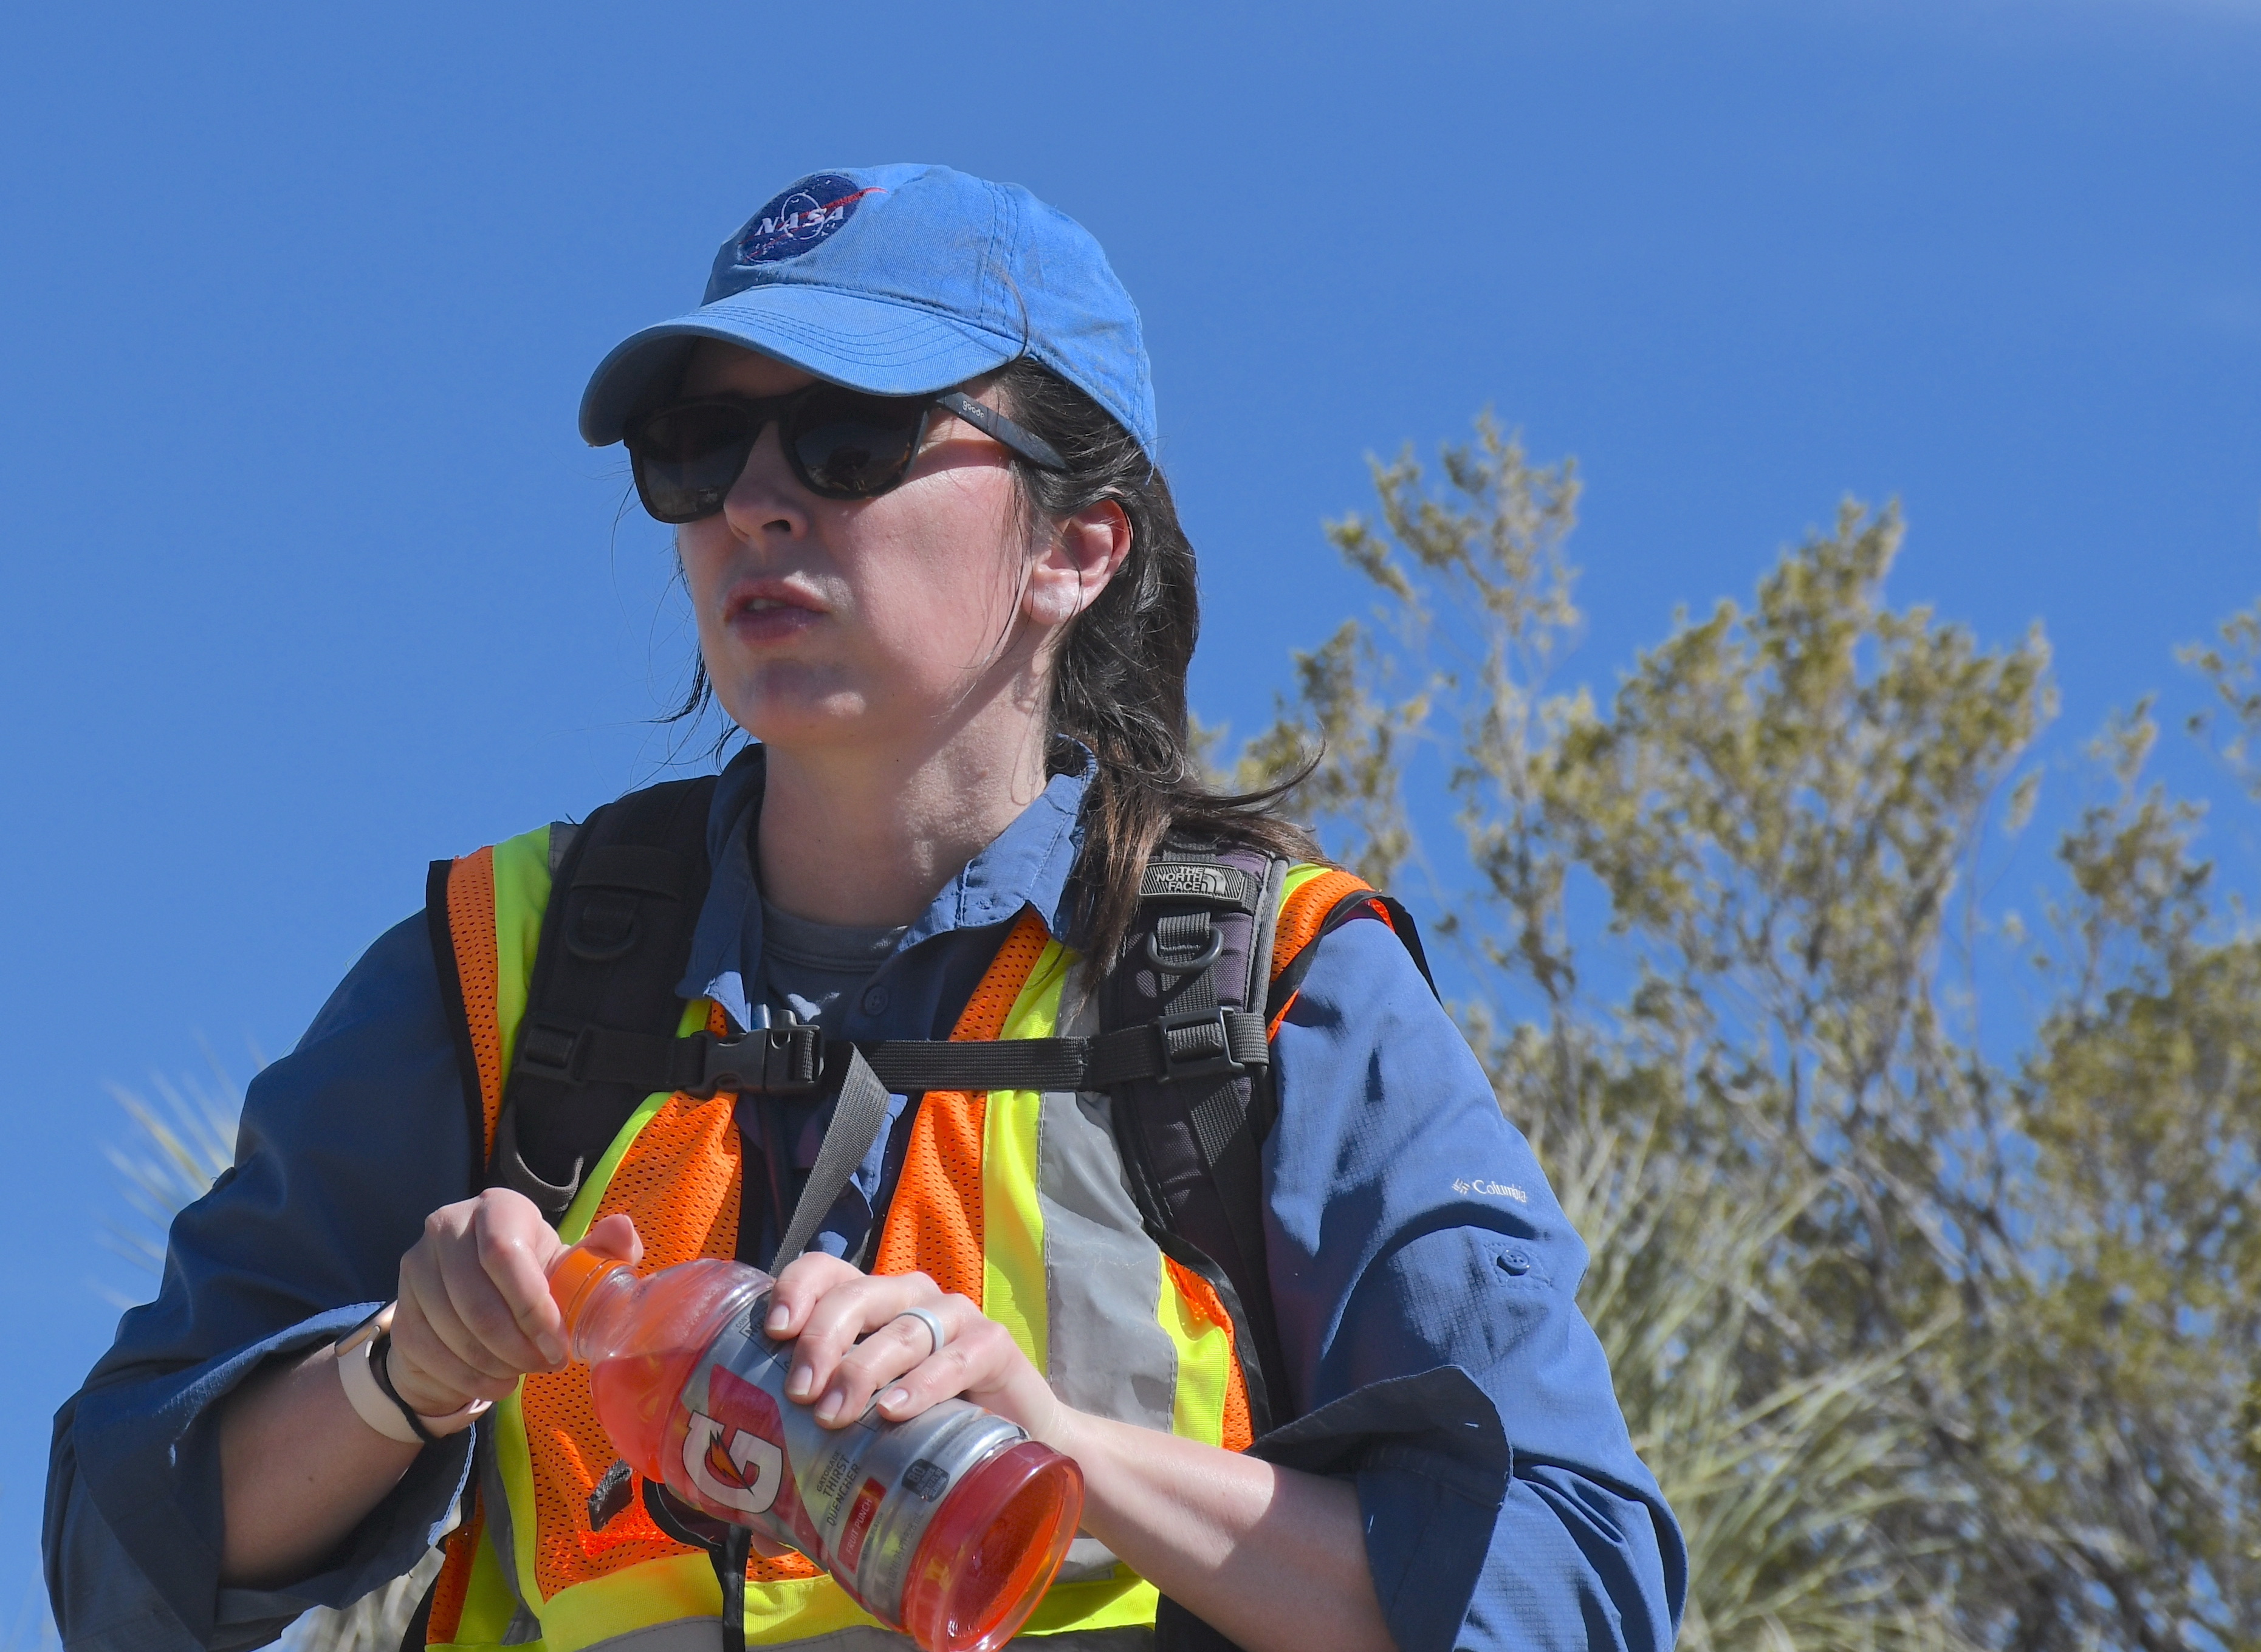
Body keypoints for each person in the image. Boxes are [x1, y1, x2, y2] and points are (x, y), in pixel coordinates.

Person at [45, 163, 1685, 1652]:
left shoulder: (1268, 986)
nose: (755, 500)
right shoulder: (500, 964)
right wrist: (400, 1374)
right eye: (698, 450)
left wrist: (1063, 1455)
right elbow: (123, 1557)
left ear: (1079, 546)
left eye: (849, 437)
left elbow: (1565, 1588)